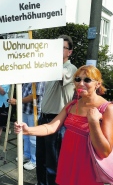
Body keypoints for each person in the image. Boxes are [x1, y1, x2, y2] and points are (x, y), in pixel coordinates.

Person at [15, 65, 113, 185]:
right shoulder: (73, 104)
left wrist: (94, 123)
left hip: (88, 165)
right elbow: (51, 127)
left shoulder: (108, 109)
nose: (81, 83)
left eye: (87, 80)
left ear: (98, 84)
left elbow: (104, 152)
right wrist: (28, 130)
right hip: (67, 160)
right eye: (78, 79)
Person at [35, 35, 77, 185]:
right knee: (40, 157)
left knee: (52, 163)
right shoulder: (51, 69)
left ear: (69, 52)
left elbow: (60, 75)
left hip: (57, 121)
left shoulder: (71, 69)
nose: (57, 50)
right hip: (43, 118)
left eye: (62, 47)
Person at [9, 82, 45, 170]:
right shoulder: (27, 76)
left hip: (34, 112)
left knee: (33, 138)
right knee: (25, 135)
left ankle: (34, 160)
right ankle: (27, 155)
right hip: (24, 110)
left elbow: (35, 95)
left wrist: (17, 101)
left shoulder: (39, 78)